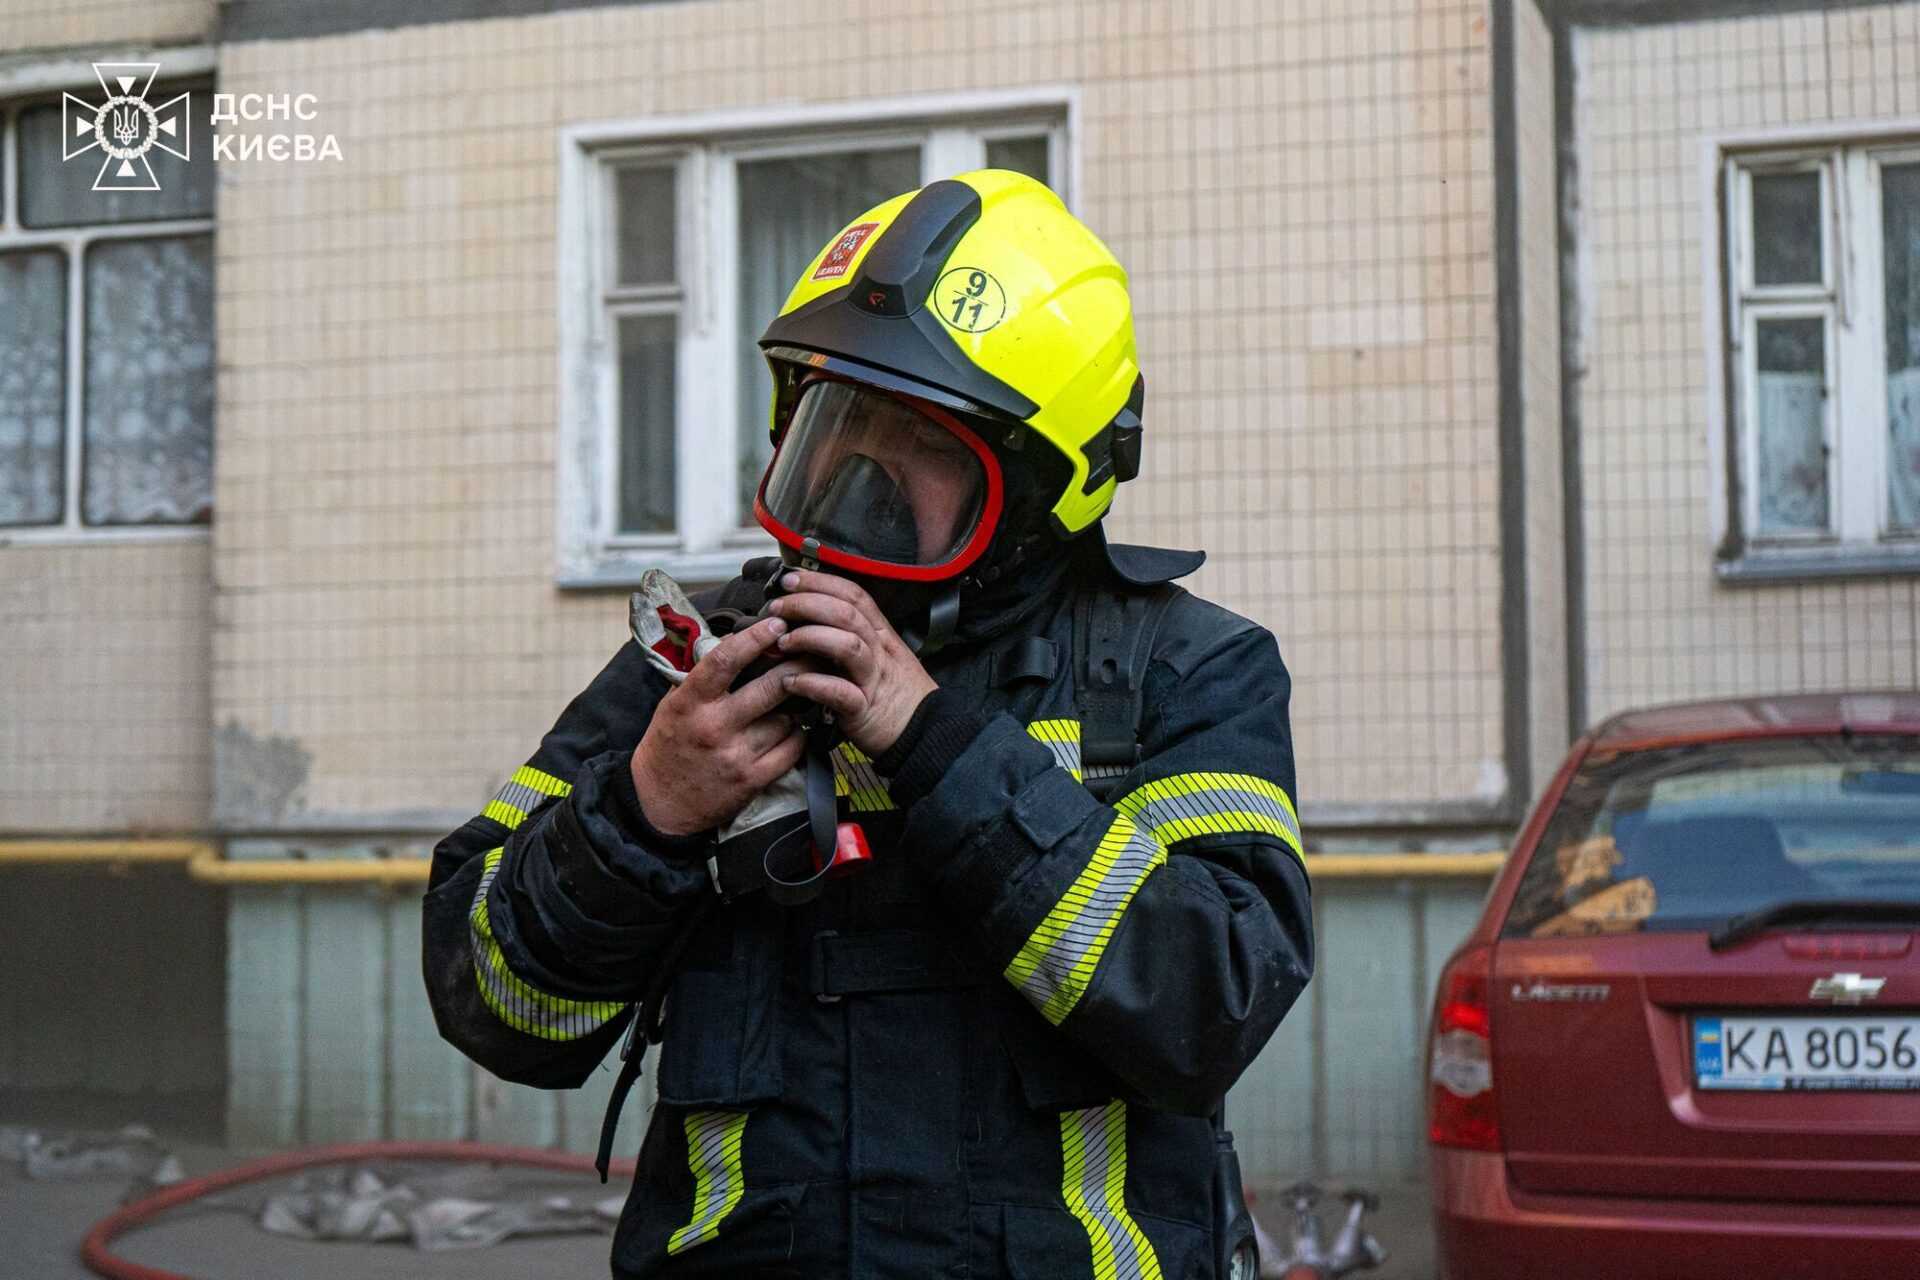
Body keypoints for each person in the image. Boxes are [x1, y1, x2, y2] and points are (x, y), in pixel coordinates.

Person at [422, 169, 1313, 1279]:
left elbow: (1207, 1008)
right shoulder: (705, 667)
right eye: (836, 421)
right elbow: (503, 1010)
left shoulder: (1182, 667)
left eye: (923, 443)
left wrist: (938, 745)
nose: (856, 476)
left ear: (1044, 488)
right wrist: (643, 812)